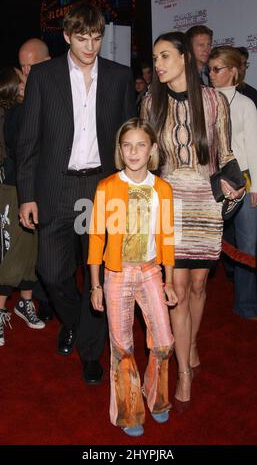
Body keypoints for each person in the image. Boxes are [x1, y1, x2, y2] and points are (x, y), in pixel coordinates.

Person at [16, 2, 136, 384]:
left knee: (98, 271)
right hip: (57, 185)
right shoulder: (44, 76)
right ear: (67, 36)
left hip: (101, 186)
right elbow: (28, 140)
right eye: (82, 37)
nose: (90, 45)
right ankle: (75, 322)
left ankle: (89, 350)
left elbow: (127, 138)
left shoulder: (119, 77)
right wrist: (27, 195)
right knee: (51, 272)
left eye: (97, 37)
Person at [141, 31, 244, 411]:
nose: (159, 64)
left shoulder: (215, 101)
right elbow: (147, 162)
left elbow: (226, 154)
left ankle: (192, 340)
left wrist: (235, 184)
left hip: (205, 203)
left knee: (199, 287)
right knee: (178, 290)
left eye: (165, 55)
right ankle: (183, 370)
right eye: (155, 58)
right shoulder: (151, 102)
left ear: (184, 57)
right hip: (169, 204)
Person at [88, 117, 177, 436]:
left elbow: (167, 235)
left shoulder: (163, 189)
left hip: (151, 269)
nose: (134, 151)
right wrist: (95, 283)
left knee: (164, 341)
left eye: (141, 145)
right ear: (120, 150)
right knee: (122, 346)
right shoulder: (107, 187)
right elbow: (96, 236)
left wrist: (168, 279)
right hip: (116, 273)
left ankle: (156, 397)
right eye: (127, 146)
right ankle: (128, 411)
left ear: (152, 149)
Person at [209, 46, 257, 319]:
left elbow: (254, 147)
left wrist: (256, 187)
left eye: (217, 69)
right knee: (204, 244)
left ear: (234, 71)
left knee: (247, 248)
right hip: (212, 183)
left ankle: (246, 305)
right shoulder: (205, 100)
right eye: (210, 69)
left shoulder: (246, 104)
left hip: (244, 181)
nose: (211, 74)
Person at [0, 67, 45, 347]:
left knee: (31, 249)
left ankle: (25, 303)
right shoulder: (17, 113)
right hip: (12, 190)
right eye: (23, 77)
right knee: (12, 250)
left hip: (30, 189)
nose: (27, 78)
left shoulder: (19, 110)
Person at [18, 38, 54, 322]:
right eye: (23, 66)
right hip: (30, 186)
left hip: (62, 185)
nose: (27, 72)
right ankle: (41, 299)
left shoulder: (62, 90)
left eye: (33, 65)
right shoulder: (16, 97)